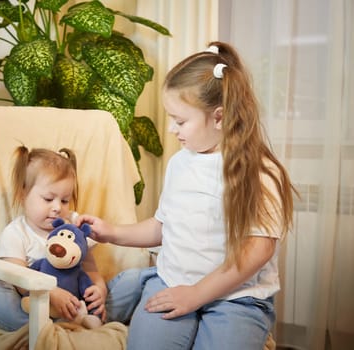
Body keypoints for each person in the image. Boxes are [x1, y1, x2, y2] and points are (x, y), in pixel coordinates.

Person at [77, 41, 296, 349]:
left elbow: (257, 251)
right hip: (172, 282)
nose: (171, 129)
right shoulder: (181, 162)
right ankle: (142, 284)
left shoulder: (258, 172)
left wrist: (196, 295)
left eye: (180, 121)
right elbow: (163, 227)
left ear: (218, 117)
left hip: (237, 299)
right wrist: (111, 232)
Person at [0, 146, 107, 331]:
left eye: (64, 200)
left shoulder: (73, 228)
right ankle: (43, 332)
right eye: (48, 199)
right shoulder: (17, 233)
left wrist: (99, 290)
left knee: (134, 280)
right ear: (23, 195)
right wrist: (51, 293)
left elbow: (91, 269)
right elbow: (19, 280)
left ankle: (77, 324)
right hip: (35, 311)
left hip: (77, 307)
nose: (57, 208)